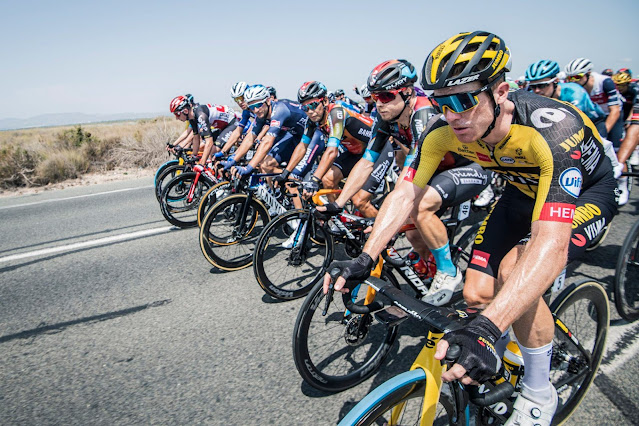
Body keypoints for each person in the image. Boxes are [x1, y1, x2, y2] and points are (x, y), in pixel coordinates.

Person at [325, 31, 617, 426]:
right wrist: (365, 256)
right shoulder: (442, 130)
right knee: (476, 292)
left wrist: (486, 328)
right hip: (521, 191)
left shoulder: (553, 130)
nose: (453, 115)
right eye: (442, 102)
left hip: (586, 194)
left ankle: (538, 392)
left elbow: (551, 242)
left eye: (463, 100)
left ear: (500, 92)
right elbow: (406, 193)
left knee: (514, 272)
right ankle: (514, 342)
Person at [321, 58, 491, 306]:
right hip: (438, 170)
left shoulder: (423, 115)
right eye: (375, 98)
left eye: (386, 97)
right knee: (411, 230)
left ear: (407, 92)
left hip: (469, 166)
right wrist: (340, 203)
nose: (379, 104)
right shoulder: (386, 118)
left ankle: (448, 271)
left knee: (418, 206)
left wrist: (384, 226)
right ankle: (429, 262)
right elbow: (367, 162)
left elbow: (407, 183)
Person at [227, 85, 308, 177]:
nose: (256, 110)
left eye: (258, 105)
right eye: (252, 107)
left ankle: (296, 182)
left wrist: (249, 168)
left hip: (312, 136)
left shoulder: (280, 110)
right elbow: (250, 138)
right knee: (266, 166)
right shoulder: (261, 114)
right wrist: (233, 160)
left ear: (268, 101)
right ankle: (281, 187)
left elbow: (267, 142)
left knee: (293, 178)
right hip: (295, 136)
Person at [169, 95, 239, 168]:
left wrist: (201, 164)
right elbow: (196, 138)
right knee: (205, 151)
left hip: (231, 123)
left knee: (213, 150)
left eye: (177, 114)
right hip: (222, 127)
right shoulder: (192, 117)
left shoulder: (201, 116)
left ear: (185, 111)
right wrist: (193, 157)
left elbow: (209, 142)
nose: (176, 118)